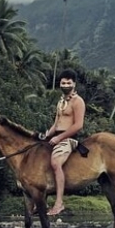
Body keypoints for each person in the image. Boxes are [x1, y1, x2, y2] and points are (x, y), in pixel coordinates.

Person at [43, 69, 85, 216]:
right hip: (56, 137)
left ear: (74, 84)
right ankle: (41, 201)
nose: (65, 85)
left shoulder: (78, 101)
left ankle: (59, 203)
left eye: (68, 82)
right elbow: (56, 123)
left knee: (55, 163)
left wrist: (59, 138)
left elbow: (78, 125)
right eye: (63, 82)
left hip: (68, 139)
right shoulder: (61, 101)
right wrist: (47, 135)